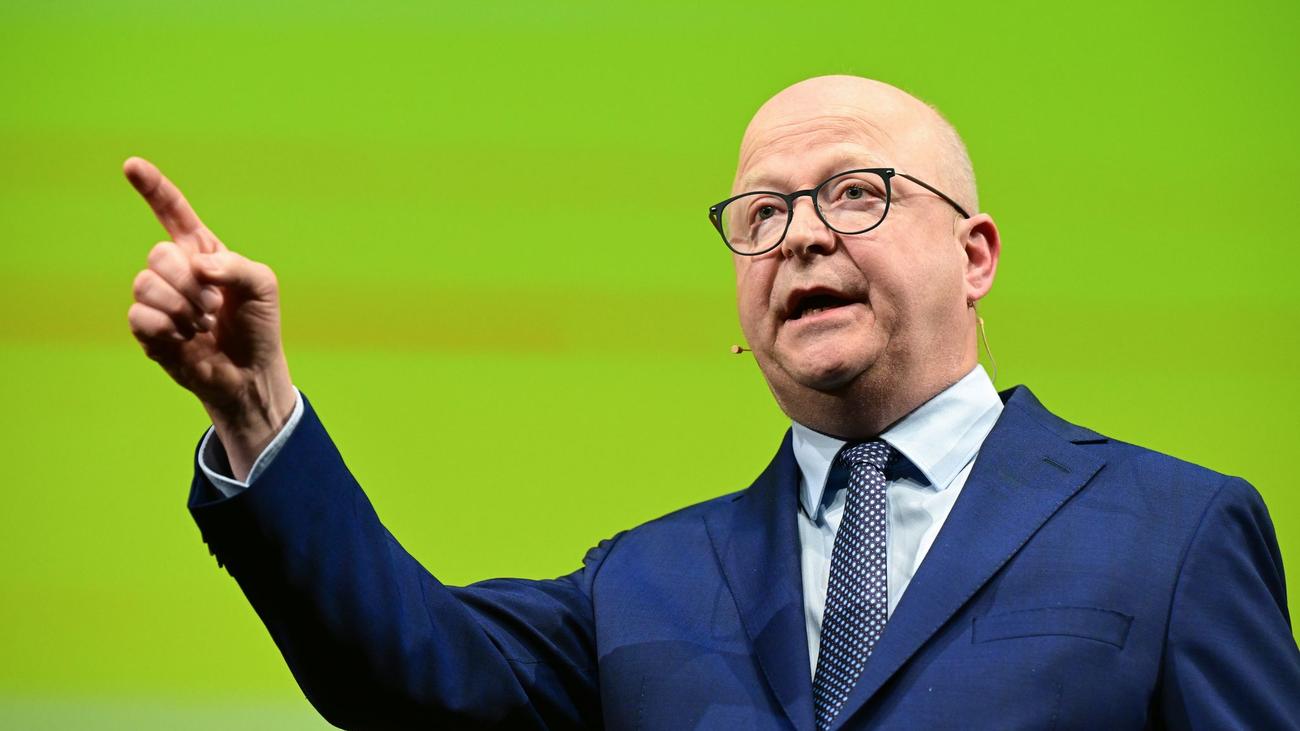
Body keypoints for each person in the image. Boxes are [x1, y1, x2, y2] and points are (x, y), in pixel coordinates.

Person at [125, 75, 1300, 729]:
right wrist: (257, 409)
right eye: (761, 214)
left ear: (975, 253)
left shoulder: (1175, 534)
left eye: (855, 191)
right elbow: (412, 674)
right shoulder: (641, 583)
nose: (801, 236)